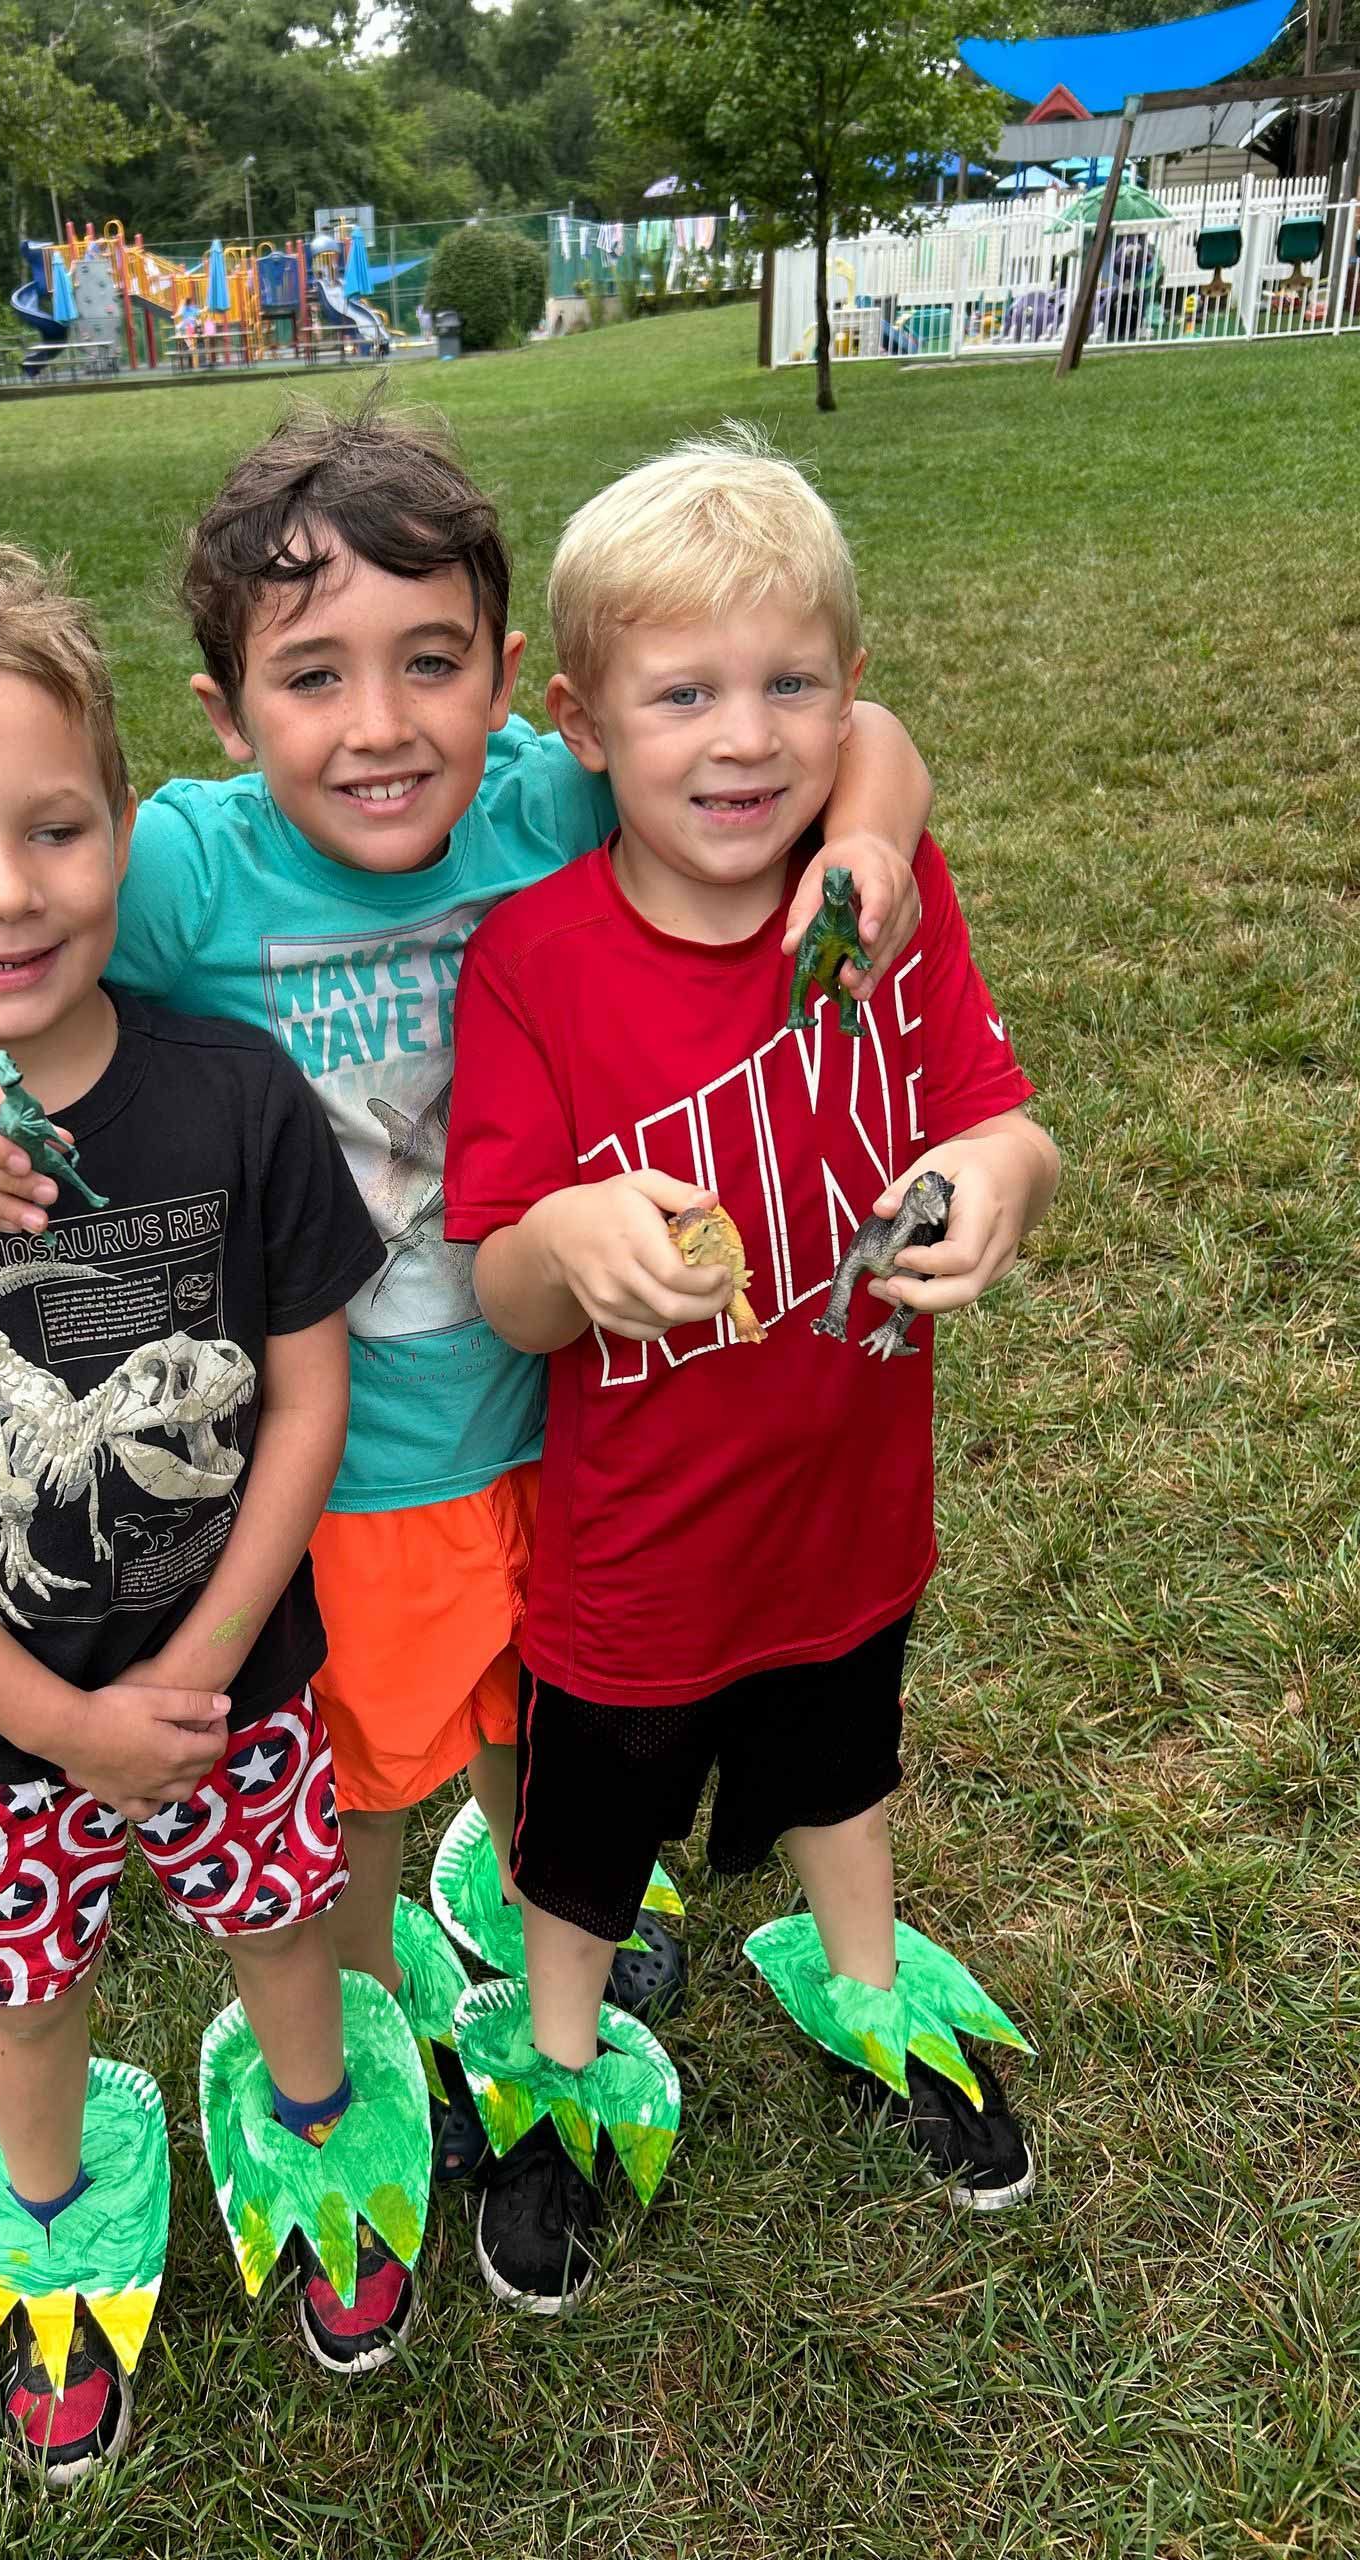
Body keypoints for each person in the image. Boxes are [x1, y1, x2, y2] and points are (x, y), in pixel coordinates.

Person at [0, 403, 934, 2269]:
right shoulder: (178, 873)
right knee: (365, 1762)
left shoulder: (547, 798)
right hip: (347, 1450)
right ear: (225, 720)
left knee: (542, 1712)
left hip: (580, 1407)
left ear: (513, 690)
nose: (382, 724)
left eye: (431, 664)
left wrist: (860, 851)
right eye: (313, 677)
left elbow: (863, 736)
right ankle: (369, 1979)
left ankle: (534, 1886)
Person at [0, 544, 432, 2487]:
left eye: (53, 824)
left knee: (287, 1928)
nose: (7, 888)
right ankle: (49, 2222)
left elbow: (306, 1389)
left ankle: (309, 2126)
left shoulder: (234, 1093)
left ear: (124, 818)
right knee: (25, 2001)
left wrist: (197, 1671)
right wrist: (57, 1726)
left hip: (238, 1686)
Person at [442, 429, 1060, 2312]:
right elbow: (500, 1286)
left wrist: (996, 1184)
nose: (745, 739)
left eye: (793, 686)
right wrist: (574, 1241)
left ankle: (867, 1983)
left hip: (848, 1493)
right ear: (584, 724)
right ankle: (550, 2072)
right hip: (638, 1545)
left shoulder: (883, 902)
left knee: (841, 1754)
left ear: (850, 698)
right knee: (590, 1829)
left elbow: (995, 1110)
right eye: (684, 693)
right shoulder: (539, 961)